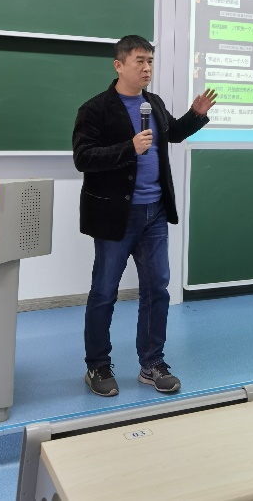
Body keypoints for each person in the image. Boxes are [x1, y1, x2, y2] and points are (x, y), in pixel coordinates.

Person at [73, 35, 216, 396]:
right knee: (104, 292)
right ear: (119, 65)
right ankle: (97, 366)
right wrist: (128, 148)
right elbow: (83, 158)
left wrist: (196, 115)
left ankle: (152, 364)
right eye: (139, 60)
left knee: (157, 290)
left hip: (154, 213)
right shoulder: (95, 109)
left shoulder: (154, 103)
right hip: (116, 216)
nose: (147, 67)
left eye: (150, 61)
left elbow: (173, 134)